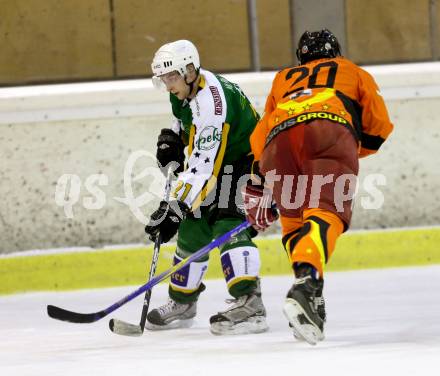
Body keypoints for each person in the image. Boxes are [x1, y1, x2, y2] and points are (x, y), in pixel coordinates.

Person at [241, 29, 393, 345]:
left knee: (295, 221)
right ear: (335, 52)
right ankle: (307, 284)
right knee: (326, 213)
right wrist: (346, 147)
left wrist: (260, 181)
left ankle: (308, 295)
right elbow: (378, 129)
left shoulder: (283, 78)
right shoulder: (351, 70)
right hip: (329, 129)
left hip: (278, 142)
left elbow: (261, 135)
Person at [144, 40, 268, 335]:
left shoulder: (212, 104)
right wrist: (173, 139)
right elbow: (184, 120)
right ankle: (183, 303)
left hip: (250, 161)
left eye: (171, 77)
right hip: (222, 160)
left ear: (189, 70)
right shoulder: (185, 88)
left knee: (227, 221)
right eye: (163, 79)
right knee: (194, 222)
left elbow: (202, 168)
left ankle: (250, 303)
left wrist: (173, 208)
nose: (167, 84)